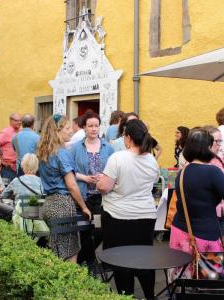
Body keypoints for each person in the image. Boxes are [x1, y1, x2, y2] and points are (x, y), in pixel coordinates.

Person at [97, 119, 159, 298]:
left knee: (121, 260)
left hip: (118, 216)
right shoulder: (152, 160)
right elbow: (151, 183)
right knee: (145, 259)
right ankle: (149, 295)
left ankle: (127, 295)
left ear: (128, 138)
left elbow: (104, 187)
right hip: (146, 216)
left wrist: (101, 180)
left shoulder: (118, 158)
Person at [169, 128, 224, 280]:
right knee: (208, 284)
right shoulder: (213, 172)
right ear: (206, 148)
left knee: (182, 281)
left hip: (180, 231)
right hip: (204, 235)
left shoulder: (182, 172)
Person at [37, 114, 91, 263]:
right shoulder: (62, 153)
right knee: (70, 252)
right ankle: (68, 285)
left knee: (56, 250)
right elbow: (72, 185)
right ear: (57, 131)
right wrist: (84, 206)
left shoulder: (44, 153)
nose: (71, 131)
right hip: (62, 205)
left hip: (48, 205)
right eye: (67, 128)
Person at [70, 111, 114, 266]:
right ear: (84, 127)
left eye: (96, 126)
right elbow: (69, 171)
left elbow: (114, 170)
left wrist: (104, 176)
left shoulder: (108, 147)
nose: (94, 129)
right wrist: (84, 177)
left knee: (100, 230)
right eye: (90, 126)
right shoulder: (75, 148)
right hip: (82, 196)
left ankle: (81, 258)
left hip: (102, 197)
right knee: (84, 231)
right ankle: (90, 262)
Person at [1, 153, 48, 236]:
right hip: (37, 220)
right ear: (36, 167)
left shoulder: (17, 180)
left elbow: (3, 195)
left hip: (19, 220)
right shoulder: (42, 182)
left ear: (23, 165)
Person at [0, 113, 22, 181]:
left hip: (19, 168)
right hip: (8, 168)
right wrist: (0, 160)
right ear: (11, 121)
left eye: (20, 120)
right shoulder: (6, 132)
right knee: (7, 189)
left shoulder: (21, 132)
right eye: (17, 120)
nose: (19, 122)